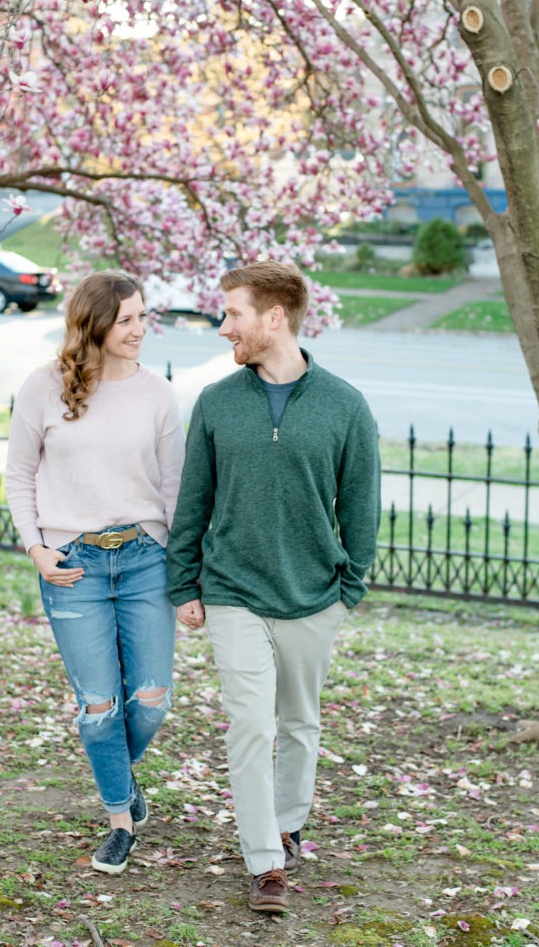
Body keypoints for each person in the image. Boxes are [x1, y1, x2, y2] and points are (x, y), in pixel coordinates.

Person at [166, 260, 381, 913]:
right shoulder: (217, 402)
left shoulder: (344, 405)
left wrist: (350, 587)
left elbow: (362, 504)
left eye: (233, 314)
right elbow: (192, 501)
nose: (223, 325)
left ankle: (288, 823)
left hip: (315, 597)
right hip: (233, 592)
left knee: (299, 723)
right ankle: (265, 863)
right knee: (251, 725)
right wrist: (184, 584)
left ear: (274, 317)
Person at [6, 270, 185, 875]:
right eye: (127, 319)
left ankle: (119, 771)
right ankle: (118, 817)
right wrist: (36, 548)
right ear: (96, 324)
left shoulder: (158, 394)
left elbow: (176, 489)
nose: (140, 329)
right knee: (100, 706)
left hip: (144, 560)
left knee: (152, 701)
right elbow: (20, 475)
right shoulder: (44, 388)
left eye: (142, 316)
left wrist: (184, 568)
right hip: (72, 565)